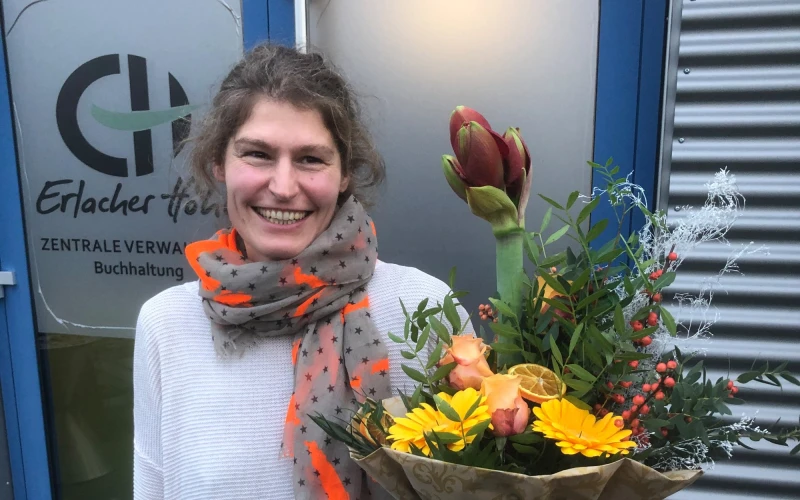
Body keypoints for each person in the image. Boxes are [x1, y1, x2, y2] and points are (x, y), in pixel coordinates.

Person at [133, 43, 470, 500]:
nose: (284, 186)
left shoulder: (424, 306)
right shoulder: (167, 324)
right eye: (257, 154)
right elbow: (151, 486)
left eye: (311, 158)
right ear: (219, 163)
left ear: (344, 174)